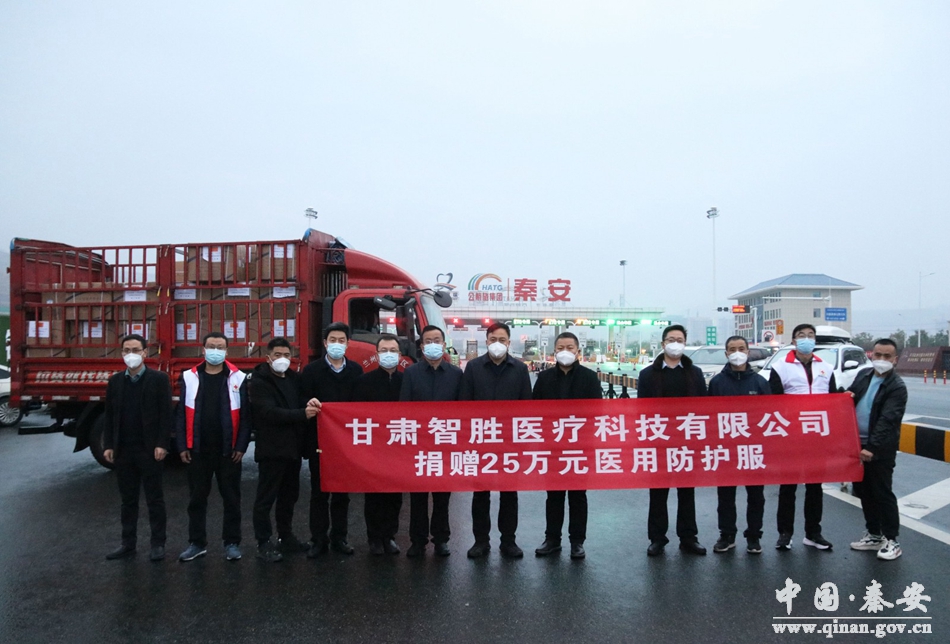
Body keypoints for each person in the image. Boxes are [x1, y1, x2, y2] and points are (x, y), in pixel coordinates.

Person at [176, 332, 252, 562]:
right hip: (198, 449)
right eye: (211, 346)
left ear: (227, 351)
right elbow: (181, 415)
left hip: (228, 451)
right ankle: (197, 543)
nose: (215, 351)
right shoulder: (189, 377)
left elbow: (246, 416)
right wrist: (182, 445)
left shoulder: (238, 377)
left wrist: (241, 446)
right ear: (203, 349)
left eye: (220, 347)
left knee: (231, 498)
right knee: (197, 499)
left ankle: (232, 542)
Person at [459, 322, 531, 558]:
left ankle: (508, 541)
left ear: (509, 343)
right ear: (486, 341)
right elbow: (464, 404)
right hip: (480, 440)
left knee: (509, 493)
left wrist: (522, 441)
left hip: (510, 442)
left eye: (502, 340)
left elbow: (527, 407)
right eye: (493, 339)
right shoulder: (473, 368)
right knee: (481, 493)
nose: (497, 344)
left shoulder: (520, 369)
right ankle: (481, 541)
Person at [637, 324, 708, 557]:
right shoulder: (648, 374)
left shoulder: (694, 373)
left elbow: (704, 407)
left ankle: (688, 537)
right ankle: (657, 538)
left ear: (685, 344)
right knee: (658, 492)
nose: (675, 344)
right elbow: (641, 410)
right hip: (659, 441)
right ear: (663, 344)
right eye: (671, 340)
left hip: (687, 440)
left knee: (687, 491)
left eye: (679, 340)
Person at [102, 334, 172, 561]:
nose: (130, 354)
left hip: (149, 450)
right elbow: (110, 415)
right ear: (121, 353)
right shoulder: (115, 382)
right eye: (126, 350)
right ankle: (128, 543)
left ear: (144, 353)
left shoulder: (159, 379)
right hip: (124, 450)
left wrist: (162, 443)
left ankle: (158, 544)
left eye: (135, 350)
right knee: (128, 501)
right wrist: (109, 445)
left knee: (154, 499)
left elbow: (166, 415)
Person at [532, 332, 602, 560]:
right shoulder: (544, 378)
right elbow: (534, 412)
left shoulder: (589, 378)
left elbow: (597, 413)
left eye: (570, 347)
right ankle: (552, 539)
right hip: (552, 447)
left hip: (580, 447)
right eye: (561, 347)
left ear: (577, 351)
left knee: (578, 495)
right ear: (554, 351)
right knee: (553, 495)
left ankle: (577, 542)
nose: (565, 351)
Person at [769, 323, 837, 551]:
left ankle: (813, 533)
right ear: (794, 341)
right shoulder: (780, 367)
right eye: (801, 335)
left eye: (810, 335)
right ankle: (785, 533)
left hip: (817, 436)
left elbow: (834, 401)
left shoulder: (826, 367)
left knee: (815, 487)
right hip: (790, 436)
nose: (806, 339)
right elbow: (773, 403)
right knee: (788, 486)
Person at [251, 337, 318, 562]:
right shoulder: (260, 382)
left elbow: (302, 400)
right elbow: (268, 413)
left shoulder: (293, 379)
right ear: (268, 358)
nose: (282, 359)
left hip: (292, 449)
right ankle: (264, 542)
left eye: (287, 355)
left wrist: (311, 403)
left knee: (289, 496)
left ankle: (286, 536)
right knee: (266, 498)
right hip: (271, 449)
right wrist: (302, 414)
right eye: (278, 355)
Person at [300, 322, 364, 557]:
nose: (337, 344)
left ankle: (340, 537)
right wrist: (310, 405)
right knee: (319, 493)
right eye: (333, 340)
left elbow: (360, 406)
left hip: (345, 444)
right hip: (320, 442)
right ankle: (318, 539)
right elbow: (302, 401)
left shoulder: (355, 370)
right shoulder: (312, 371)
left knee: (341, 494)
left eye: (341, 340)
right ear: (325, 343)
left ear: (347, 343)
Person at [399, 325, 463, 557]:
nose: (433, 344)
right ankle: (417, 541)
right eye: (428, 341)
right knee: (417, 496)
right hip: (419, 444)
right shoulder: (411, 373)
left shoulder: (456, 374)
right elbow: (404, 408)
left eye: (437, 340)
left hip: (446, 444)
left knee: (442, 497)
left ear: (444, 344)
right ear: (422, 346)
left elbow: (464, 411)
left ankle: (441, 540)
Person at [708, 336, 771, 555]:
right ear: (726, 353)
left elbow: (770, 415)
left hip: (753, 449)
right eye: (732, 349)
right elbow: (709, 416)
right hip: (726, 449)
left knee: (756, 496)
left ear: (748, 352)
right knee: (726, 496)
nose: (737, 353)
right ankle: (727, 535)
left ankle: (754, 536)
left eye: (741, 348)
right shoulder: (717, 383)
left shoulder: (760, 382)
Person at [848, 339, 907, 561]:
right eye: (878, 355)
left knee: (882, 492)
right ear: (871, 355)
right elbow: (849, 399)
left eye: (887, 356)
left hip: (879, 449)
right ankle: (874, 534)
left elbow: (888, 419)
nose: (881, 359)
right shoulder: (863, 375)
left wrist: (872, 447)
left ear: (895, 359)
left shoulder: (896, 386)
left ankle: (892, 540)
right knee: (863, 491)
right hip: (857, 445)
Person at [353, 334, 405, 556]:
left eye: (393, 350)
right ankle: (374, 538)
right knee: (374, 494)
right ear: (376, 354)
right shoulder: (364, 381)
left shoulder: (406, 380)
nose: (388, 354)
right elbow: (355, 415)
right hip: (373, 447)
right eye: (384, 351)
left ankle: (389, 536)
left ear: (400, 355)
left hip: (399, 446)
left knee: (395, 494)